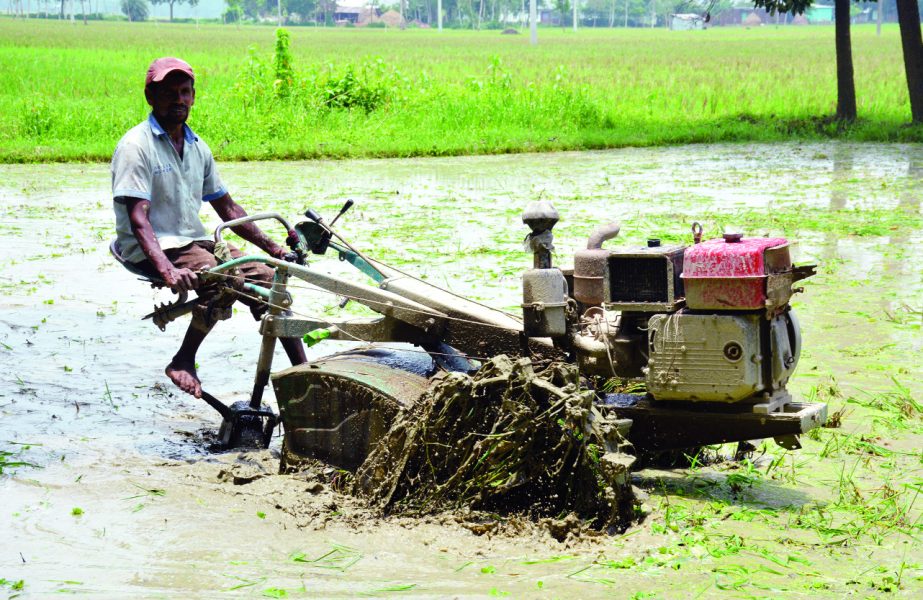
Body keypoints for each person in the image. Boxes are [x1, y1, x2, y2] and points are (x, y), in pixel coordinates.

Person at [111, 57, 306, 399]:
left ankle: (304, 376)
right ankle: (183, 360)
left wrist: (275, 249)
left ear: (193, 96)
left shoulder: (197, 147)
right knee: (225, 281)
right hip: (155, 247)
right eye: (169, 93)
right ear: (150, 97)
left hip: (194, 241)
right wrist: (168, 270)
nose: (179, 99)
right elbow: (138, 220)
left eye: (185, 92)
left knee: (268, 281)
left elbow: (227, 207)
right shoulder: (135, 146)